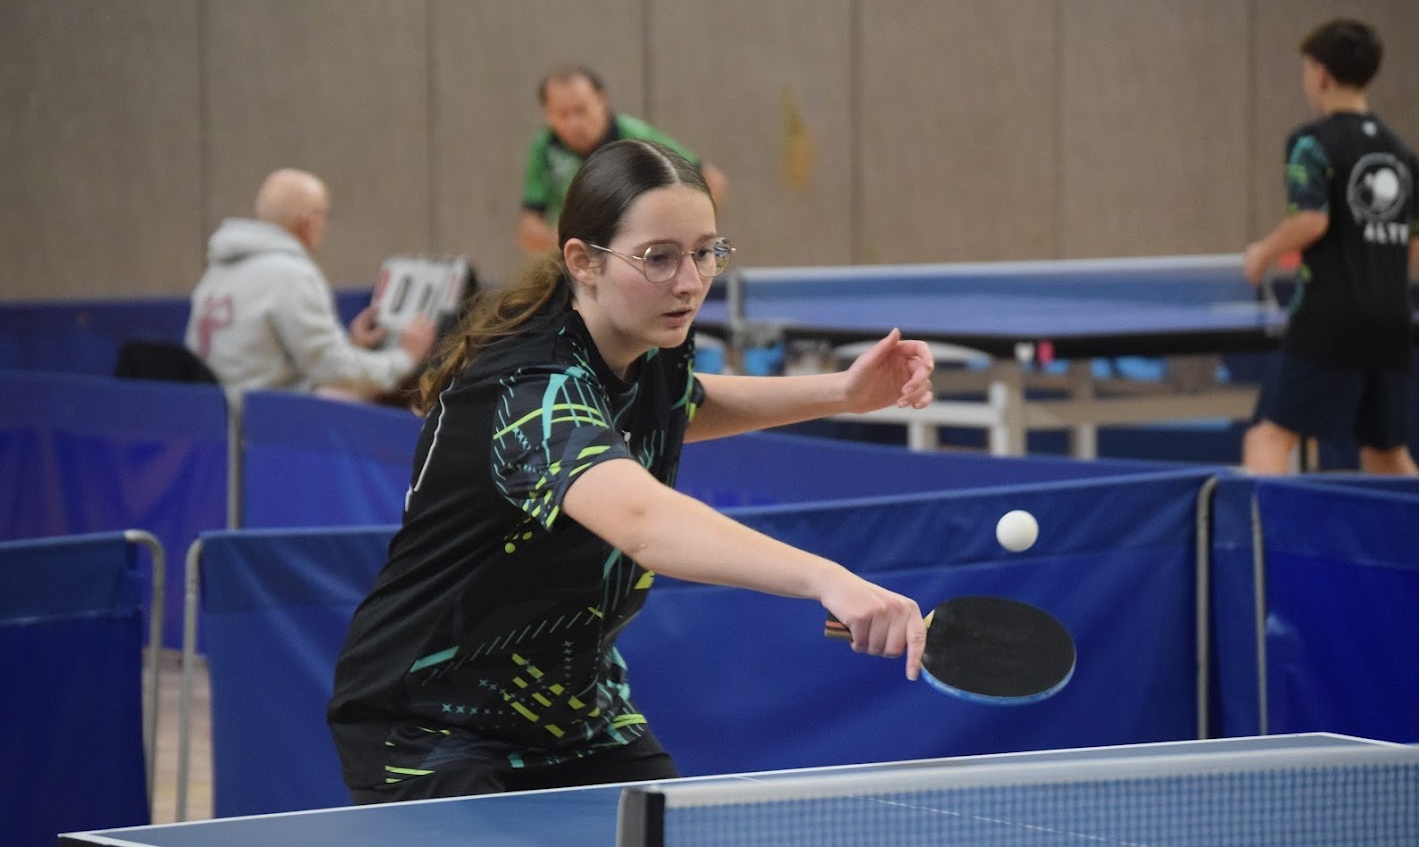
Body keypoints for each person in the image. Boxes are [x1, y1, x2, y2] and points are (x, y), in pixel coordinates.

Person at [329, 139, 933, 802]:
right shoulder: (530, 387)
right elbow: (643, 522)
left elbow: (677, 405)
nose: (690, 282)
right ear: (583, 261)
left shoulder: (647, 341)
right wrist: (827, 578)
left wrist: (841, 393)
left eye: (705, 251)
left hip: (575, 709)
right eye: (658, 257)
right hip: (434, 721)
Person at [1242, 18, 1419, 475]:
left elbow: (1311, 219)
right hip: (1392, 319)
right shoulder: (1402, 154)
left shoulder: (1311, 143)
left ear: (1320, 75)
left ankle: (1260, 526)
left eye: (1306, 70)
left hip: (1329, 316)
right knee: (1385, 452)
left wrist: (1263, 252)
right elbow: (1411, 247)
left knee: (1269, 436)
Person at [185, 168, 438, 404]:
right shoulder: (291, 273)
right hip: (266, 422)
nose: (324, 225)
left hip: (216, 416)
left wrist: (353, 347)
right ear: (307, 221)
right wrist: (404, 358)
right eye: (324, 215)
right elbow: (331, 369)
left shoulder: (218, 270)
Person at [517, 65, 730, 253]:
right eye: (562, 114)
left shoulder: (635, 135)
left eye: (581, 110)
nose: (574, 123)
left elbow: (712, 180)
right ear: (546, 113)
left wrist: (686, 239)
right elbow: (529, 226)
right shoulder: (544, 146)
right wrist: (568, 244)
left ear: (600, 100)